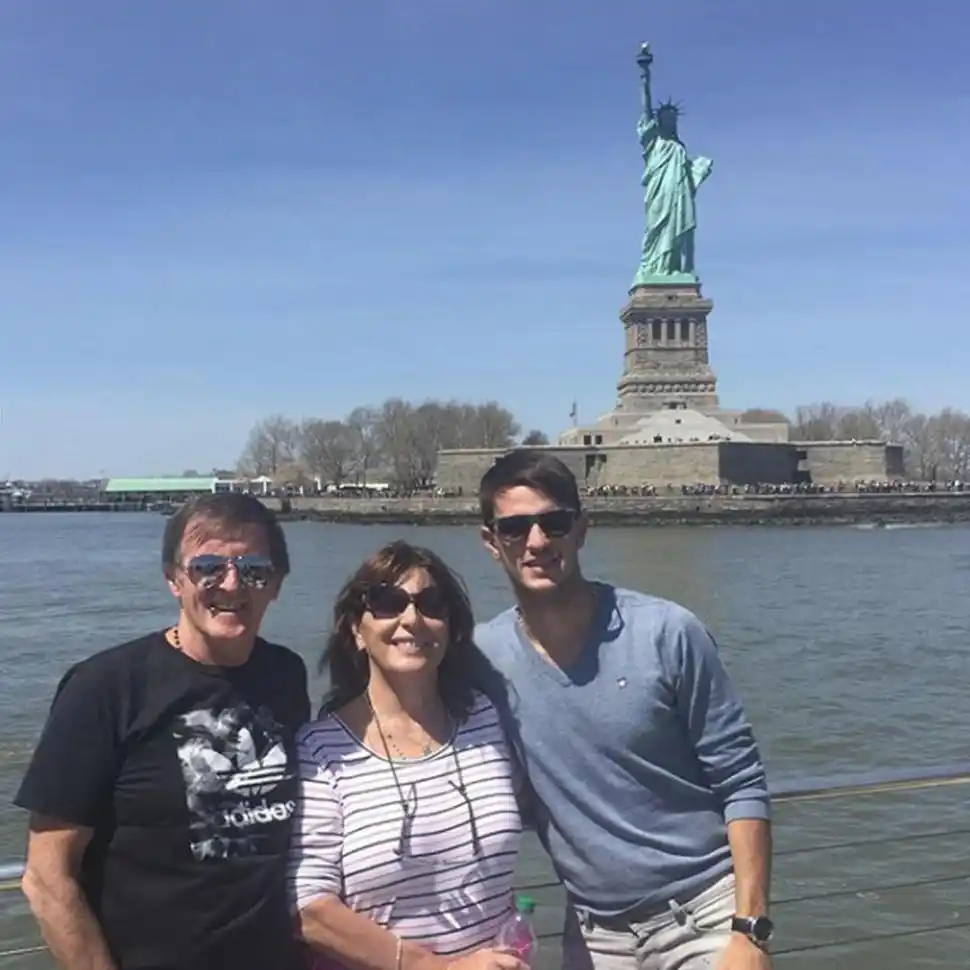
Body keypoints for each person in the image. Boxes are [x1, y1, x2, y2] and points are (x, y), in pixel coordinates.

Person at [472, 450, 774, 970]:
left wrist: (748, 929)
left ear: (581, 529)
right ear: (491, 542)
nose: (537, 541)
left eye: (555, 522)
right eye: (516, 528)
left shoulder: (668, 632)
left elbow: (741, 781)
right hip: (592, 934)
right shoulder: (480, 658)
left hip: (703, 915)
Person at [15, 492, 310, 970]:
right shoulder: (105, 688)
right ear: (174, 578)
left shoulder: (286, 675)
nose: (232, 584)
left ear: (276, 584)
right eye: (207, 567)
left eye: (254, 569)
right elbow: (47, 878)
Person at [288, 540, 528, 970]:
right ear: (356, 631)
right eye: (387, 602)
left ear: (452, 628)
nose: (412, 619)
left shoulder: (485, 718)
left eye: (431, 603)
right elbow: (309, 909)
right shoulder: (320, 749)